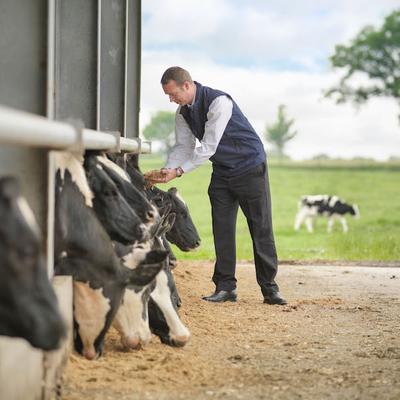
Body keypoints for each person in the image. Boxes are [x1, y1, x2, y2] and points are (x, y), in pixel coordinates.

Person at [144, 66, 287, 305]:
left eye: (172, 94)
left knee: (260, 228)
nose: (171, 100)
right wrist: (167, 169)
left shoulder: (219, 102)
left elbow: (208, 146)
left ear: (186, 85)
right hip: (222, 171)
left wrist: (179, 171)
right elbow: (183, 147)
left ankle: (270, 289)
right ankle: (225, 287)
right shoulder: (182, 113)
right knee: (222, 228)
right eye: (168, 96)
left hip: (250, 167)